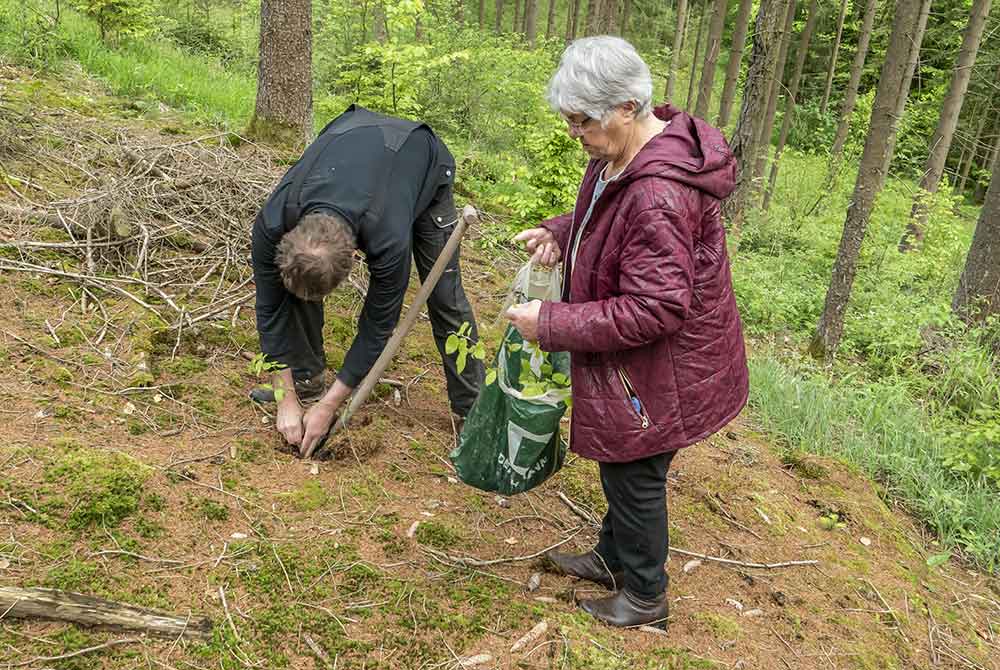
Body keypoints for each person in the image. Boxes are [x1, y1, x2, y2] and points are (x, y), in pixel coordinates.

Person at [507, 36, 749, 629]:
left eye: (582, 120)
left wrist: (553, 323)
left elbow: (656, 307)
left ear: (624, 107)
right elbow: (606, 218)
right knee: (624, 461)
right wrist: (563, 231)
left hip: (665, 366)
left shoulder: (659, 193)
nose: (574, 133)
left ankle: (644, 598)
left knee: (635, 472)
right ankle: (614, 558)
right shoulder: (624, 153)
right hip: (643, 363)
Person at [252, 105, 484, 457]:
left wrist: (331, 405)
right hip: (351, 135)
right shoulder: (274, 220)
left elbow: (378, 327)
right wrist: (285, 398)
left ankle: (473, 410)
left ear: (357, 257)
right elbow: (269, 308)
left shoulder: (387, 237)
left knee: (444, 297)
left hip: (419, 159)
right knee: (297, 287)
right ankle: (305, 378)